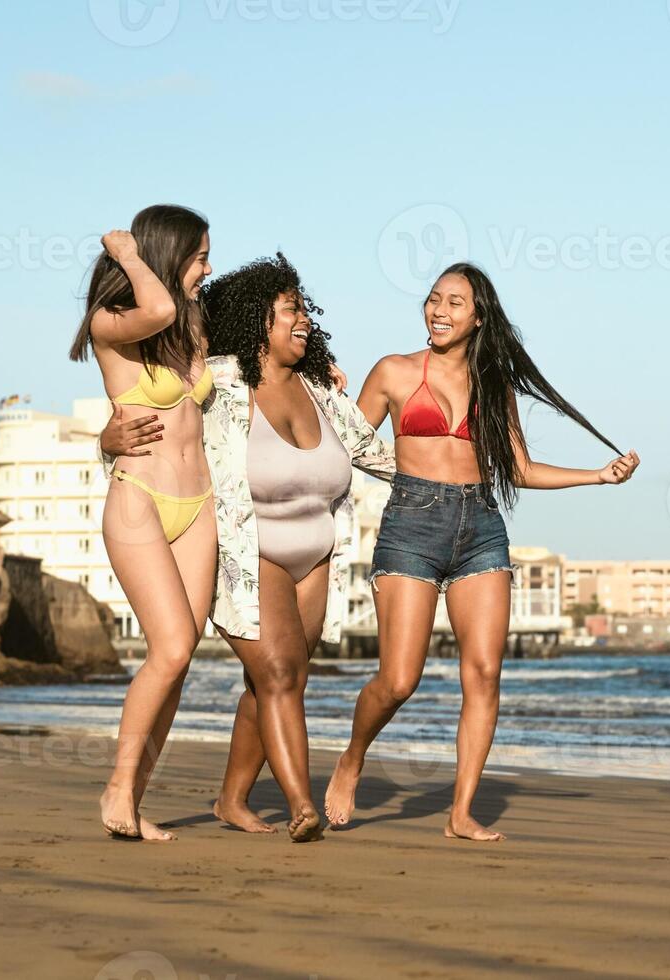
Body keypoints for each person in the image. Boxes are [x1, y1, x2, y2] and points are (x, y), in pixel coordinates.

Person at [322, 262, 640, 842]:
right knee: (398, 681)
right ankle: (352, 756)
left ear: (477, 317)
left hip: (481, 529)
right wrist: (327, 396)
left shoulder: (494, 385)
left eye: (455, 303)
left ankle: (461, 811)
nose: (439, 311)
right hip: (411, 525)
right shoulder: (393, 372)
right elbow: (341, 445)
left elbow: (518, 468)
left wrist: (598, 476)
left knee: (485, 674)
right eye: (433, 299)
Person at [101, 253, 391, 842]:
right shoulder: (219, 382)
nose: (304, 319)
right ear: (257, 319)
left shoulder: (323, 393)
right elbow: (156, 421)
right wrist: (105, 440)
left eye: (305, 308)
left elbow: (377, 454)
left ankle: (231, 800)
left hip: (317, 558)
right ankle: (302, 805)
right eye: (290, 309)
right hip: (245, 550)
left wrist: (461, 473)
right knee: (279, 673)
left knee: (279, 683)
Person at [67, 203, 214, 841]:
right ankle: (116, 790)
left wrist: (320, 369)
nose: (208, 269)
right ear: (167, 255)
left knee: (181, 657)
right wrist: (128, 255)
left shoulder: (194, 324)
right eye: (200, 256)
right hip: (141, 501)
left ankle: (132, 799)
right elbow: (153, 309)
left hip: (199, 504)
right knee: (172, 645)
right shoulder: (112, 321)